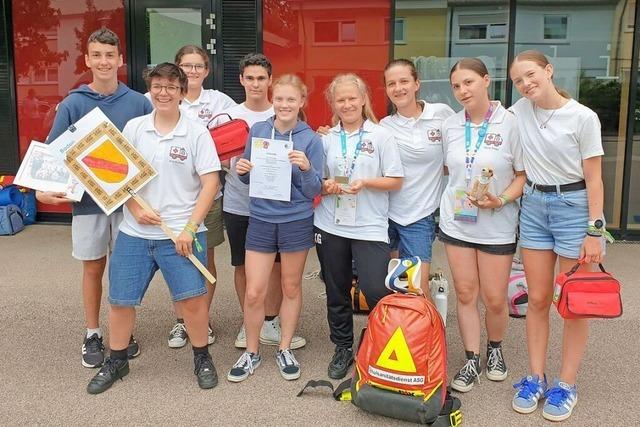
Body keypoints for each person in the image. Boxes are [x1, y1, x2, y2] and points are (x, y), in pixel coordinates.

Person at [86, 63, 221, 394]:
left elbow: (210, 183)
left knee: (192, 301)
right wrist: (133, 206)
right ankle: (117, 361)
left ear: (181, 92)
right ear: (151, 90)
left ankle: (202, 357)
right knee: (121, 300)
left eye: (171, 87)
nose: (164, 92)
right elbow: (118, 177)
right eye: (158, 86)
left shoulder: (196, 132)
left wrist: (191, 228)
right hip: (135, 233)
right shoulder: (134, 128)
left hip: (182, 234)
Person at [36, 28, 152, 369]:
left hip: (127, 201)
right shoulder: (73, 103)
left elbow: (148, 152)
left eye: (109, 55)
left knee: (123, 268)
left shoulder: (138, 102)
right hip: (86, 202)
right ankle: (92, 332)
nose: (104, 61)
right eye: (97, 55)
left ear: (120, 60)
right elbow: (53, 153)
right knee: (93, 267)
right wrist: (43, 190)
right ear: (87, 60)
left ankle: (122, 331)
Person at [509, 50, 608, 422]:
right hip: (534, 205)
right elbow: (483, 112)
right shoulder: (520, 110)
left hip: (574, 208)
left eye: (531, 75)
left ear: (548, 71)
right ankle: (535, 377)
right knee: (536, 298)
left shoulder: (582, 117)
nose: (526, 84)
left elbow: (595, 178)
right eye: (519, 80)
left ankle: (566, 384)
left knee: (572, 302)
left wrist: (595, 230)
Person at [228, 74, 322, 382]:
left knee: (291, 287)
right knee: (255, 291)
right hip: (262, 218)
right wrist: (242, 170)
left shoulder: (310, 139)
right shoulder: (258, 130)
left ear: (301, 103)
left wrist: (306, 168)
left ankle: (284, 347)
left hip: (295, 220)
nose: (284, 104)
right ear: (273, 98)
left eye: (291, 100)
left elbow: (313, 190)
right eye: (279, 98)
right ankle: (252, 351)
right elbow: (248, 175)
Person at [439, 58, 525, 393]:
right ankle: (472, 358)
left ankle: (496, 350)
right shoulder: (450, 125)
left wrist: (500, 200)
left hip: (497, 223)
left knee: (493, 299)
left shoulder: (510, 123)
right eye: (456, 85)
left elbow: (522, 174)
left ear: (486, 80)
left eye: (469, 82)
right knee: (464, 292)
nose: (462, 90)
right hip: (457, 221)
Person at [315, 73, 404, 380]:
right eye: (341, 100)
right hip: (329, 224)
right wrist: (327, 187)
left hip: (369, 226)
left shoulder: (381, 136)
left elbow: (396, 180)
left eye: (353, 98)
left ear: (364, 99)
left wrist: (365, 182)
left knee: (376, 289)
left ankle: (377, 341)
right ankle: (342, 347)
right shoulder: (324, 139)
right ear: (333, 104)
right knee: (336, 290)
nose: (348, 104)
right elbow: (316, 182)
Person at [220, 53, 306, 350]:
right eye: (250, 78)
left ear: (270, 81)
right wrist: (234, 167)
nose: (255, 84)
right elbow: (214, 157)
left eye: (261, 78)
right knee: (244, 267)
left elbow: (304, 150)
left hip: (278, 210)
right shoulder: (229, 115)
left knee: (278, 269)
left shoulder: (283, 109)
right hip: (238, 203)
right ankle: (249, 324)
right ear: (241, 80)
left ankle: (270, 321)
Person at [165, 45, 237, 349]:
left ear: (206, 71)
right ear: (177, 68)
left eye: (198, 66)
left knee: (204, 259)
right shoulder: (163, 97)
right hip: (171, 198)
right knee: (176, 261)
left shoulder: (220, 101)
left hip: (209, 196)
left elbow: (244, 129)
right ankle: (183, 322)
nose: (192, 71)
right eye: (186, 65)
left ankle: (202, 318)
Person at [379, 59, 455, 295]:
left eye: (404, 81)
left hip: (418, 217)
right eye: (392, 83)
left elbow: (455, 155)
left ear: (416, 84)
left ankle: (426, 331)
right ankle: (397, 332)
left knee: (415, 288)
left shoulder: (441, 114)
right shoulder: (385, 126)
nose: (398, 88)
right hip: (386, 216)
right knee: (395, 286)